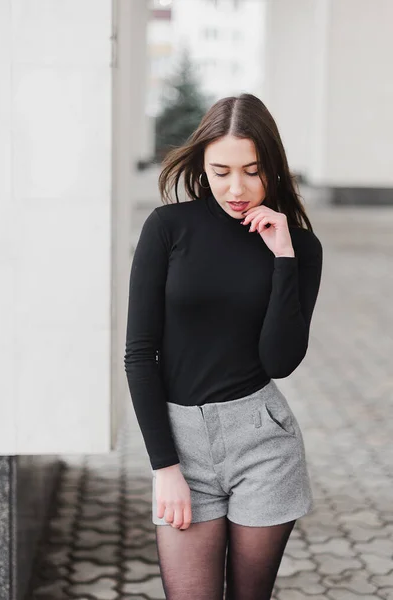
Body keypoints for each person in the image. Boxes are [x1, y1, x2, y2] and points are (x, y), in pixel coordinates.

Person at [124, 93, 323, 600]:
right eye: (221, 171)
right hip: (180, 442)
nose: (236, 188)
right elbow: (139, 353)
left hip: (262, 443)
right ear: (202, 166)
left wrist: (283, 257)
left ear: (273, 169)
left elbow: (281, 360)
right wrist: (164, 468)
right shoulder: (168, 229)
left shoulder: (300, 246)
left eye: (253, 172)